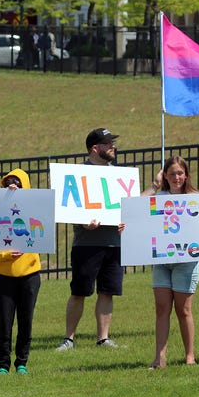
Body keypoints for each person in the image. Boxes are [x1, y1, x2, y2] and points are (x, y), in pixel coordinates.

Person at [147, 156, 199, 369]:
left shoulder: (196, 198)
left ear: (186, 175)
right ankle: (160, 358)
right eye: (172, 173)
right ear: (165, 175)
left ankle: (190, 356)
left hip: (187, 261)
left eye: (180, 173)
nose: (176, 177)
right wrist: (154, 185)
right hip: (162, 261)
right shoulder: (159, 197)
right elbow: (134, 208)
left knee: (183, 309)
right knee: (161, 308)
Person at [56, 128, 126, 351]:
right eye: (107, 143)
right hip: (86, 243)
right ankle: (69, 339)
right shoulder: (78, 174)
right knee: (79, 292)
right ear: (95, 148)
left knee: (107, 291)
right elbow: (68, 206)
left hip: (114, 242)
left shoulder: (118, 175)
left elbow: (127, 205)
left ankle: (103, 338)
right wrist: (83, 221)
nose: (112, 147)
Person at [0, 168, 41, 375]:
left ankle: (22, 362)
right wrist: (6, 255)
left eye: (17, 182)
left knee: (26, 321)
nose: (12, 185)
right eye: (8, 182)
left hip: (30, 276)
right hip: (4, 278)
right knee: (5, 323)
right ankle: (3, 365)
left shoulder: (35, 209)